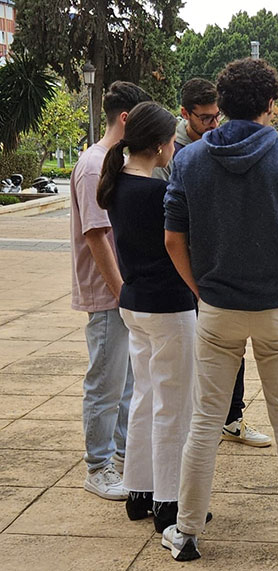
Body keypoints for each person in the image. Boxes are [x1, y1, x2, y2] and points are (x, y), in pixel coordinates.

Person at [161, 57, 278, 561]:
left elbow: (173, 239)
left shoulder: (189, 159)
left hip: (217, 307)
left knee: (204, 421)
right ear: (271, 103)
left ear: (220, 105)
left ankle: (186, 532)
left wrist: (200, 290)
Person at [96, 101, 199, 532]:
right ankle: (169, 503)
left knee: (143, 399)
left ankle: (139, 492)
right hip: (169, 306)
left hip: (135, 302)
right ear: (160, 145)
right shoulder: (161, 193)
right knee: (174, 407)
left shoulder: (115, 185)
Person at [153, 77, 270, 448]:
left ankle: (231, 418)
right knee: (198, 355)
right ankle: (203, 420)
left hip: (218, 270)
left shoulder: (218, 143)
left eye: (216, 116)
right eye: (204, 118)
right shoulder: (172, 152)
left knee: (230, 349)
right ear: (184, 114)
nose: (213, 125)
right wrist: (195, 285)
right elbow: (170, 227)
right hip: (187, 270)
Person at [69, 81, 151, 500]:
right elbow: (97, 237)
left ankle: (119, 458)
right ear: (125, 119)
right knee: (105, 381)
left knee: (127, 382)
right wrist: (122, 293)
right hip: (108, 294)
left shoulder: (112, 162)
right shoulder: (92, 165)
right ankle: (98, 465)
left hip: (123, 291)